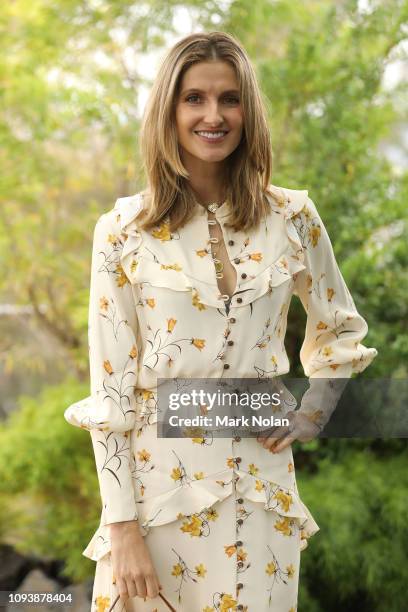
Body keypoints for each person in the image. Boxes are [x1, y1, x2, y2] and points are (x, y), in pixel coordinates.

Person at [64, 31, 378, 612]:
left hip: (263, 502)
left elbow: (340, 329)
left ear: (248, 110)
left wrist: (315, 410)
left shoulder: (293, 217)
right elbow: (109, 390)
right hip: (158, 503)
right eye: (194, 99)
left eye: (230, 99)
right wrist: (121, 527)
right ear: (169, 110)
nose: (214, 115)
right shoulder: (123, 231)